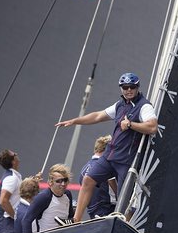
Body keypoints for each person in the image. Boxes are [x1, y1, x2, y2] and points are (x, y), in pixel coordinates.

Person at [55, 73, 158, 223]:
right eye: (125, 87)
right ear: (121, 88)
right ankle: (75, 219)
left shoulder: (144, 106)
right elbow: (97, 116)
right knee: (88, 179)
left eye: (132, 87)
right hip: (110, 156)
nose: (128, 90)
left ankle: (119, 227)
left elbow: (152, 127)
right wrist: (74, 121)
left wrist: (130, 124)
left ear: (137, 87)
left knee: (124, 200)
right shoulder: (120, 104)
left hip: (126, 161)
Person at [22, 164, 74, 233]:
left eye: (65, 180)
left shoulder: (68, 194)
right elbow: (26, 220)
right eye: (59, 181)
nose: (63, 184)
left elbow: (71, 216)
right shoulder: (44, 197)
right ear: (50, 182)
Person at [79, 135, 118, 219]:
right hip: (108, 210)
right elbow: (115, 188)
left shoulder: (84, 168)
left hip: (93, 211)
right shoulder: (105, 167)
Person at [0, 149, 22, 233]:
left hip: (7, 219)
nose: (17, 154)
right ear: (13, 161)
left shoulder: (14, 176)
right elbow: (3, 201)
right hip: (5, 220)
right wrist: (16, 217)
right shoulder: (11, 178)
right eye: (15, 154)